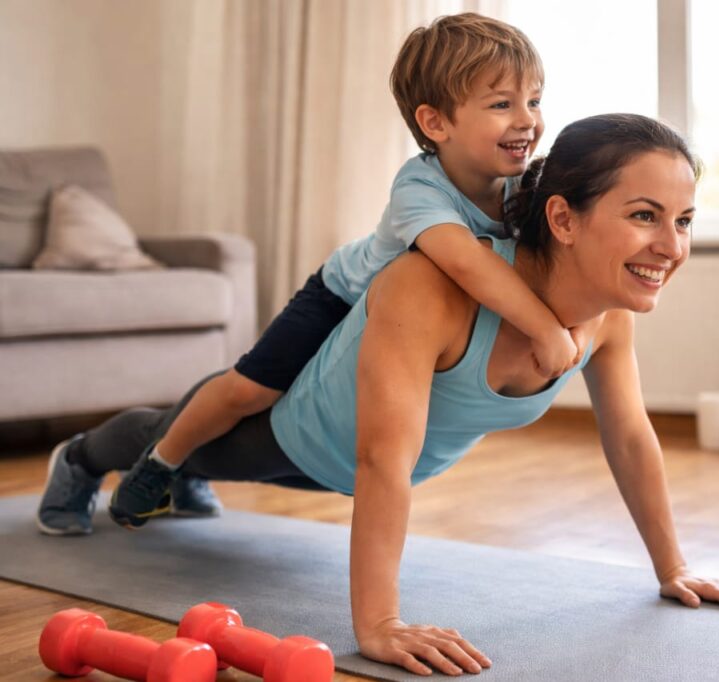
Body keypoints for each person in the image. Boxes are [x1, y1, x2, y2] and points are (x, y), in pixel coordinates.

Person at [37, 114, 719, 677]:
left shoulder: (606, 318)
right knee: (187, 436)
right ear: (563, 217)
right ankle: (79, 458)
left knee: (202, 458)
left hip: (366, 460)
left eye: (683, 221)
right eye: (645, 216)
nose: (671, 247)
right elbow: (381, 457)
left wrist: (671, 569)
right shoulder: (432, 286)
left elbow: (630, 438)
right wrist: (379, 624)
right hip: (307, 433)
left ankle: (185, 471)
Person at [104, 12, 582, 529]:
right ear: (435, 122)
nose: (527, 120)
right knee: (252, 392)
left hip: (393, 322)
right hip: (342, 297)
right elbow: (466, 263)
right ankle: (161, 462)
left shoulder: (522, 188)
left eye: (533, 101)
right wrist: (544, 327)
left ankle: (190, 472)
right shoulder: (418, 190)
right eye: (501, 104)